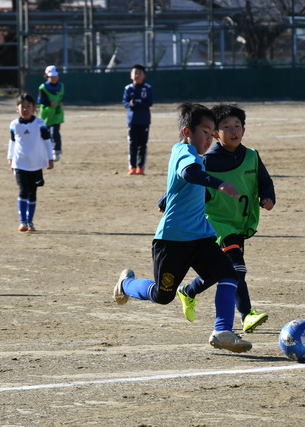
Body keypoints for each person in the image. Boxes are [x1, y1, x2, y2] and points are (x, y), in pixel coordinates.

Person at [112, 102, 252, 353]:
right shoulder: (183, 151)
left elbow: (184, 182)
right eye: (205, 132)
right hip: (173, 240)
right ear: (187, 132)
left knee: (228, 273)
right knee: (162, 295)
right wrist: (219, 184)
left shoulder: (198, 158)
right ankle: (126, 285)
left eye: (212, 134)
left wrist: (167, 197)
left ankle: (223, 331)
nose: (209, 139)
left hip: (200, 236)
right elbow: (188, 173)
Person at [174, 104, 275, 334]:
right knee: (237, 266)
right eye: (226, 127)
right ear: (215, 134)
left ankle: (189, 291)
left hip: (240, 222)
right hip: (216, 222)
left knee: (224, 270)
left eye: (237, 126)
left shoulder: (252, 156)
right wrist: (165, 199)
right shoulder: (207, 161)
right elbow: (188, 180)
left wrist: (268, 197)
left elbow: (265, 182)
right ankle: (247, 315)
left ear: (244, 130)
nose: (233, 131)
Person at [8, 93, 54, 232]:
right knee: (23, 191)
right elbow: (12, 142)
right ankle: (23, 222)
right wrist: (10, 158)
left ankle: (30, 221)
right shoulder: (14, 124)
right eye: (23, 106)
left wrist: (50, 158)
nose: (25, 109)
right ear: (17, 108)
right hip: (20, 163)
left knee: (33, 193)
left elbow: (47, 141)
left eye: (29, 106)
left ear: (34, 108)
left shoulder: (40, 123)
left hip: (36, 164)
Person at [122, 64, 153, 175]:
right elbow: (124, 102)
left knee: (142, 145)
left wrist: (138, 102)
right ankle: (132, 167)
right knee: (132, 144)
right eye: (135, 73)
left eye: (139, 73)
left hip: (144, 121)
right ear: (131, 75)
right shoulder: (128, 88)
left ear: (144, 75)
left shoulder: (147, 88)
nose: (137, 75)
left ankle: (141, 167)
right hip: (132, 121)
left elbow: (149, 102)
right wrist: (130, 104)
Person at [37, 65, 65, 161]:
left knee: (55, 132)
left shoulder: (61, 86)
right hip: (46, 115)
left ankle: (56, 151)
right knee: (45, 134)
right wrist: (49, 103)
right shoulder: (43, 87)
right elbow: (40, 100)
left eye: (55, 76)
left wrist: (60, 102)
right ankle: (44, 153)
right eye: (51, 77)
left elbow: (60, 97)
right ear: (47, 77)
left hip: (57, 114)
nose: (54, 78)